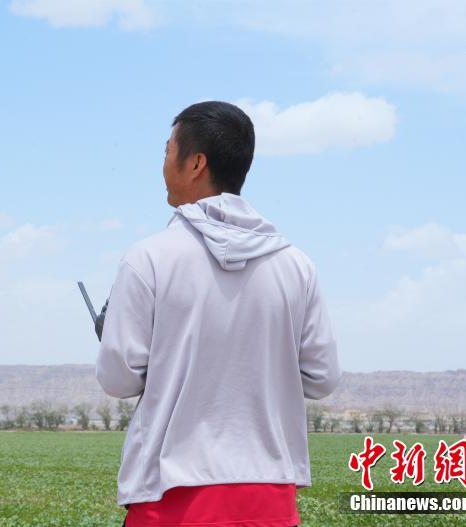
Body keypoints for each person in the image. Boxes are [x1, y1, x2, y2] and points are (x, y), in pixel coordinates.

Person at [95, 101, 342, 527]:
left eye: (167, 149)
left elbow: (118, 380)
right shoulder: (297, 264)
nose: (163, 162)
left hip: (170, 497)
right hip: (269, 496)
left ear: (195, 163)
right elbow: (322, 378)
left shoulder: (148, 259)